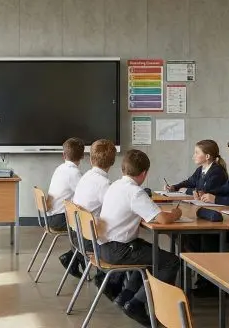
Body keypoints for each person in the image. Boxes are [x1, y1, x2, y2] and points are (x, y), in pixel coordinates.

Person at [98, 149, 182, 326]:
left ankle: (126, 296)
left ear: (123, 169)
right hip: (118, 250)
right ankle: (136, 304)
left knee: (151, 253)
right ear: (144, 173)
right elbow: (163, 220)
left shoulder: (115, 186)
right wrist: (176, 213)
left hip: (105, 246)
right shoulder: (135, 192)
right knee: (170, 261)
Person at [61, 139, 116, 281]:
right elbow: (117, 211)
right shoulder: (104, 184)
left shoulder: (86, 176)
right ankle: (107, 279)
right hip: (90, 241)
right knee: (123, 238)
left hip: (78, 236)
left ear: (91, 159)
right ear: (113, 162)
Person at [46, 137, 84, 230]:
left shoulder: (60, 168)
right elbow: (85, 196)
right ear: (82, 156)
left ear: (63, 155)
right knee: (90, 223)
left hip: (50, 217)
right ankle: (79, 244)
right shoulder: (75, 173)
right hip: (59, 220)